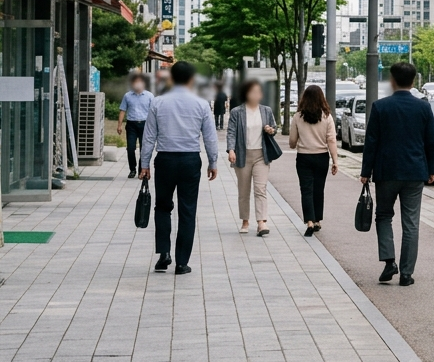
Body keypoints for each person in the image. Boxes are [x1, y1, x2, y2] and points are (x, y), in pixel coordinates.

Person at [361, 61, 434, 287]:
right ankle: (406, 274)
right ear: (413, 81)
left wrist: (366, 171)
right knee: (411, 223)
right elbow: (430, 142)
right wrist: (431, 169)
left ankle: (388, 262)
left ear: (392, 81)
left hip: (386, 171)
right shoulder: (423, 108)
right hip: (415, 172)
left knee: (384, 216)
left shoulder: (380, 107)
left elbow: (371, 142)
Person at [139, 61, 218, 275]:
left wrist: (144, 163)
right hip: (190, 160)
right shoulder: (201, 104)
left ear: (171, 78)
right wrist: (213, 162)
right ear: (192, 79)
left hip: (165, 159)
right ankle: (182, 262)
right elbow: (210, 137)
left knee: (162, 207)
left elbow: (149, 137)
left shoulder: (158, 102)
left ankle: (164, 253)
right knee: (187, 210)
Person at [227, 81, 277, 236]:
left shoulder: (266, 111)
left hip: (261, 155)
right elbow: (231, 132)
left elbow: (274, 128)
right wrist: (231, 149)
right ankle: (245, 220)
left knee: (260, 188)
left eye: (258, 92)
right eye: (252, 92)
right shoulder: (237, 112)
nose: (256, 95)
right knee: (244, 190)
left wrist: (270, 130)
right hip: (243, 154)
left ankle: (262, 222)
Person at [289, 84, 338, 236]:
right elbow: (331, 140)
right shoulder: (327, 116)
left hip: (304, 157)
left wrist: (296, 142)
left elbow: (292, 141)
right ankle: (317, 220)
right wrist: (335, 160)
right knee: (318, 189)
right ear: (321, 98)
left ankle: (309, 221)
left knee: (306, 190)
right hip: (321, 157)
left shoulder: (298, 116)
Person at [117, 74, 154, 179]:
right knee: (130, 148)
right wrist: (119, 125)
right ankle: (132, 169)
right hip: (131, 124)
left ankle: (141, 170)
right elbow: (123, 110)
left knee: (144, 148)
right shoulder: (127, 96)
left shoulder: (149, 96)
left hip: (145, 124)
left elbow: (154, 112)